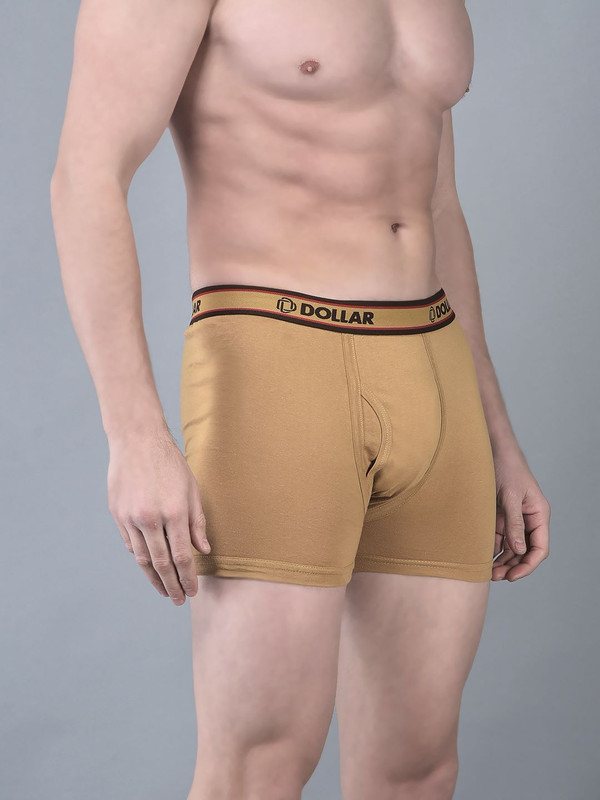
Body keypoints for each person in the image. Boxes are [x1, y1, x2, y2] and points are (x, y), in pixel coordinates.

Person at [50, 1, 551, 798]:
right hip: (274, 360)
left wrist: (498, 434)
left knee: (419, 771)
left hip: (434, 363)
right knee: (260, 768)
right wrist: (134, 434)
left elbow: (435, 204)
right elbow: (86, 175)